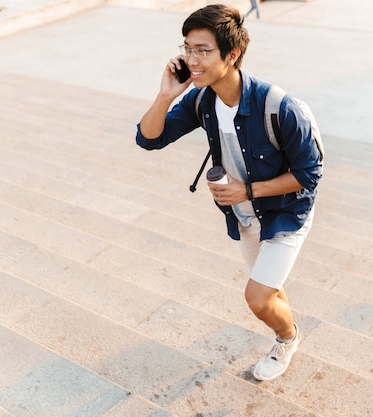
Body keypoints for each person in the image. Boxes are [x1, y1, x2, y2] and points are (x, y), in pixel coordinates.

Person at [135, 4, 322, 381]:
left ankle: (288, 338)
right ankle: (281, 322)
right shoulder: (202, 99)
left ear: (232, 53)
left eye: (202, 50)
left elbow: (309, 174)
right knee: (268, 292)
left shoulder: (281, 107)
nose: (192, 59)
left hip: (285, 212)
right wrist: (165, 96)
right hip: (243, 215)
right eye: (187, 48)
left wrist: (246, 190)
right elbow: (148, 139)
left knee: (256, 297)